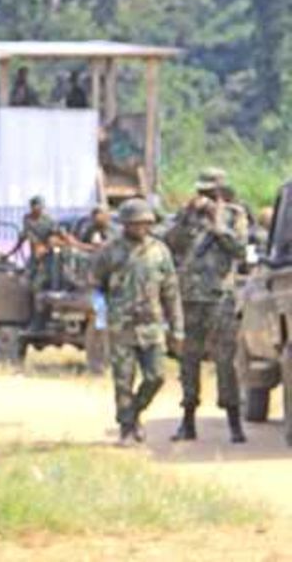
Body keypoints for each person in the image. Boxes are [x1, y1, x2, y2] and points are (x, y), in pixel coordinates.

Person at [164, 168, 248, 443]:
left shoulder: (235, 215)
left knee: (225, 362)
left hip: (219, 299)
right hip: (189, 299)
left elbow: (239, 249)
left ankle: (234, 424)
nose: (206, 198)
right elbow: (169, 243)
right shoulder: (187, 216)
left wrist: (217, 224)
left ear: (222, 192)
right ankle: (187, 422)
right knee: (188, 361)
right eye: (202, 193)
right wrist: (187, 216)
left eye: (211, 193)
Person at [92, 198, 184, 447]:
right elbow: (97, 285)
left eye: (145, 223)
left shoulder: (159, 251)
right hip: (121, 325)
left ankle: (133, 414)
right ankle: (126, 428)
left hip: (152, 325)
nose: (141, 228)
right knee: (123, 379)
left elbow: (171, 292)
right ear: (125, 224)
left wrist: (177, 328)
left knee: (156, 377)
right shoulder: (110, 251)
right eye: (135, 223)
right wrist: (103, 314)